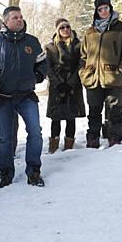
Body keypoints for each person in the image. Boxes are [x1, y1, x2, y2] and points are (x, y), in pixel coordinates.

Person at [0, 6, 47, 188]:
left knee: (35, 133)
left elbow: (43, 63)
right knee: (5, 138)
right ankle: (6, 173)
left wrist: (38, 76)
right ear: (6, 22)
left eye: (21, 17)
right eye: (15, 17)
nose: (19, 20)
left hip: (26, 96)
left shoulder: (32, 42)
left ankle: (33, 171)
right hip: (2, 97)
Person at [79, 0, 122, 148]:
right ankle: (93, 139)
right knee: (94, 111)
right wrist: (83, 73)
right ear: (96, 12)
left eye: (106, 8)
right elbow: (83, 56)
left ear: (110, 9)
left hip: (113, 78)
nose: (104, 11)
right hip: (93, 78)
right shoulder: (90, 32)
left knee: (114, 111)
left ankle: (114, 139)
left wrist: (121, 72)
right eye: (100, 9)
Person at [45, 18, 85, 153]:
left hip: (73, 83)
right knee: (56, 116)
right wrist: (58, 83)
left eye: (67, 27)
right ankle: (53, 146)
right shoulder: (50, 47)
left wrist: (71, 82)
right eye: (62, 27)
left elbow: (81, 64)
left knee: (71, 116)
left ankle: (69, 146)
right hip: (57, 85)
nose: (66, 29)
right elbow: (48, 67)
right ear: (57, 30)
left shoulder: (79, 45)